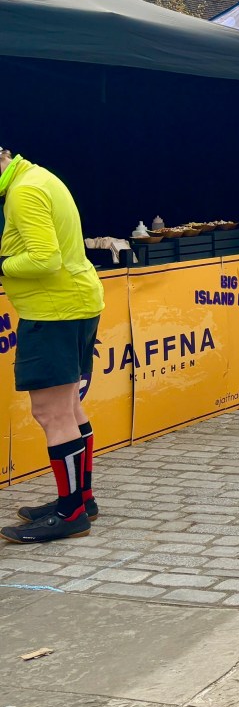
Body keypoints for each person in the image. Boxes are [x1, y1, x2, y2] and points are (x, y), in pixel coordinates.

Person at [0, 148, 105, 544]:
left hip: (53, 312)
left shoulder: (23, 192)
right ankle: (81, 499)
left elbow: (44, 260)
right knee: (69, 407)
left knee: (49, 412)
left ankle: (71, 513)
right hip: (73, 304)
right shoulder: (37, 177)